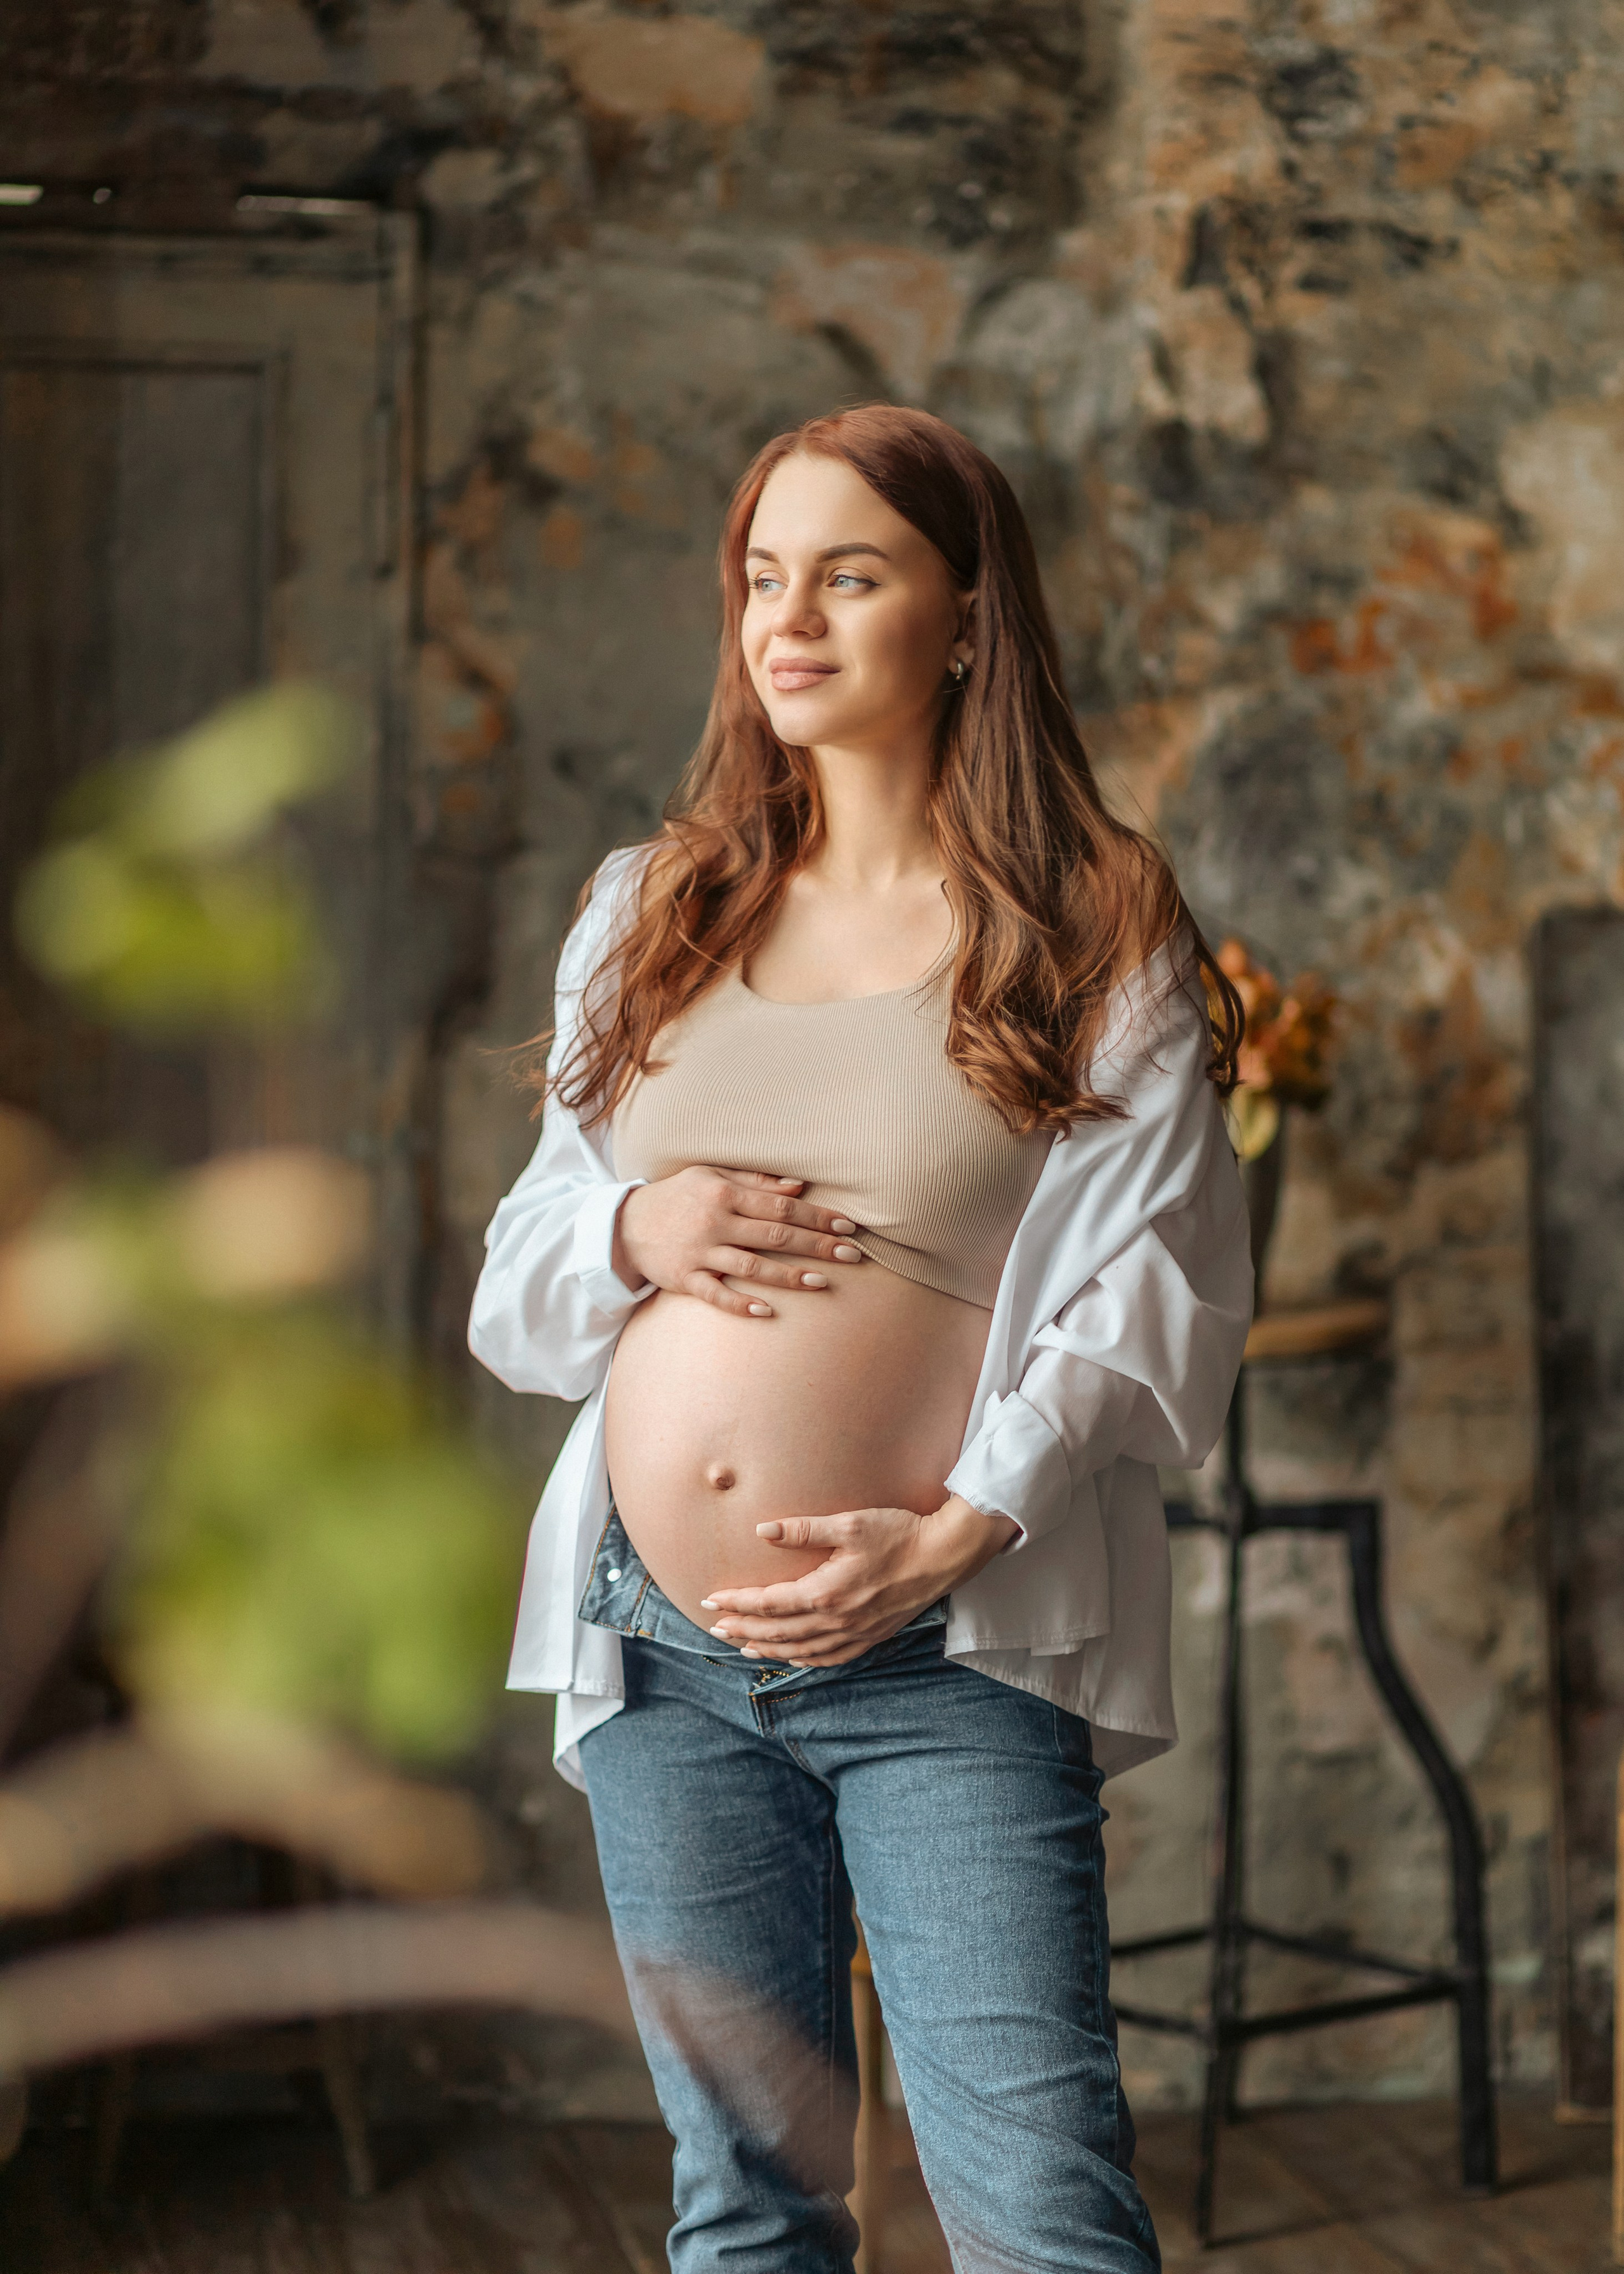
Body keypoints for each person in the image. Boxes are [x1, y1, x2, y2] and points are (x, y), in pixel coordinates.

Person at [469, 405, 1253, 2273]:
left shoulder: (1088, 924)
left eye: (850, 573)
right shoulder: (647, 911)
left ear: (969, 617)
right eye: (760, 577)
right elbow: (521, 1279)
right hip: (660, 1651)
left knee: (1042, 2214)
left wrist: (953, 1534)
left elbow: (1156, 1280)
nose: (787, 620)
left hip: (947, 1648)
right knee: (743, 2209)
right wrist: (633, 1223)